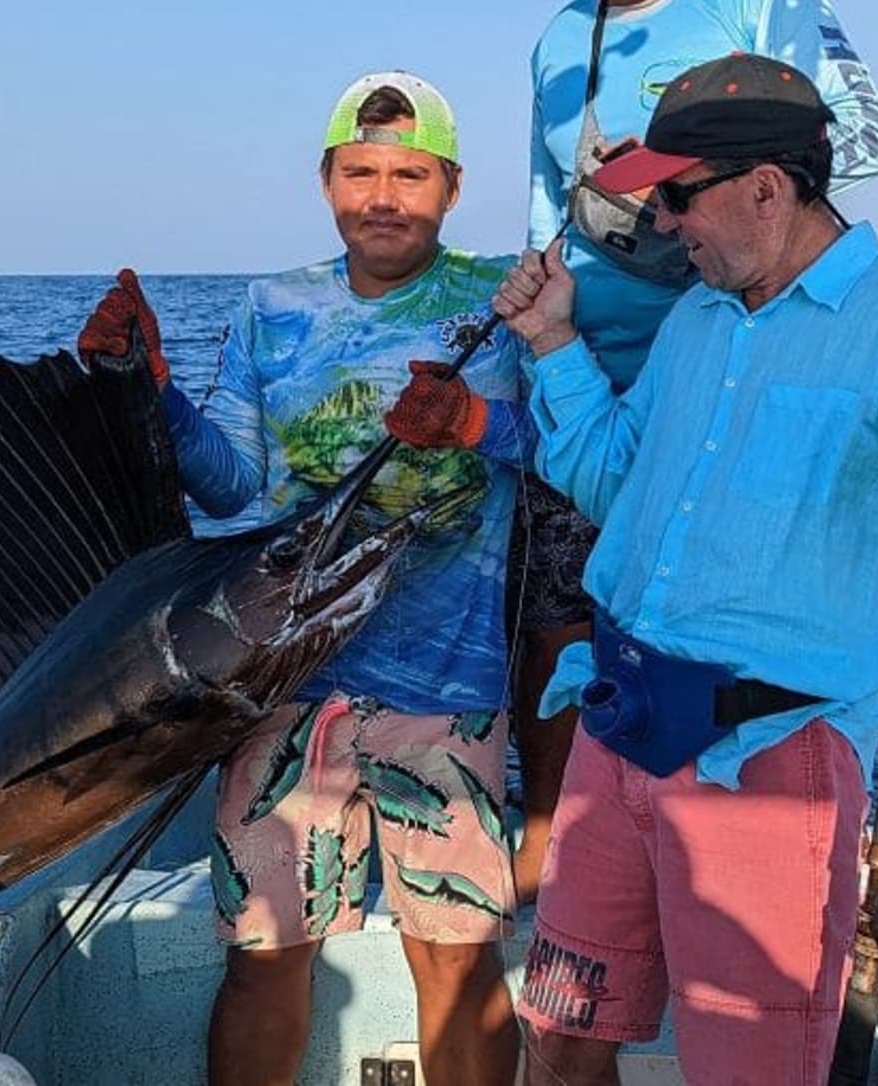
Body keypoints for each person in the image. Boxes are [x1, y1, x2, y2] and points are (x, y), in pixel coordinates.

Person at [493, 52, 878, 1085]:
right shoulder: (696, 317)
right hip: (616, 729)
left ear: (767, 188)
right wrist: (553, 342)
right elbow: (614, 483)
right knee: (557, 1037)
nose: (663, 224)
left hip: (767, 763)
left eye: (678, 195)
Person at [78, 72, 536, 1086]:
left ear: (452, 187)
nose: (384, 197)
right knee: (262, 954)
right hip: (281, 688)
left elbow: (570, 446)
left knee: (456, 964)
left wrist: (475, 422)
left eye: (409, 175)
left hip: (447, 694)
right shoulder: (272, 306)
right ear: (326, 182)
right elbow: (232, 483)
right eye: (360, 173)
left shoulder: (505, 295)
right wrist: (153, 393)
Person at [509, 0, 878, 904]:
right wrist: (539, 333)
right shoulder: (556, 42)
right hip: (584, 378)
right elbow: (544, 210)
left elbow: (866, 138)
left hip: (729, 365)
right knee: (563, 628)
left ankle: (740, 869)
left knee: (727, 645)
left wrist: (692, 187)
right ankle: (568, 862)